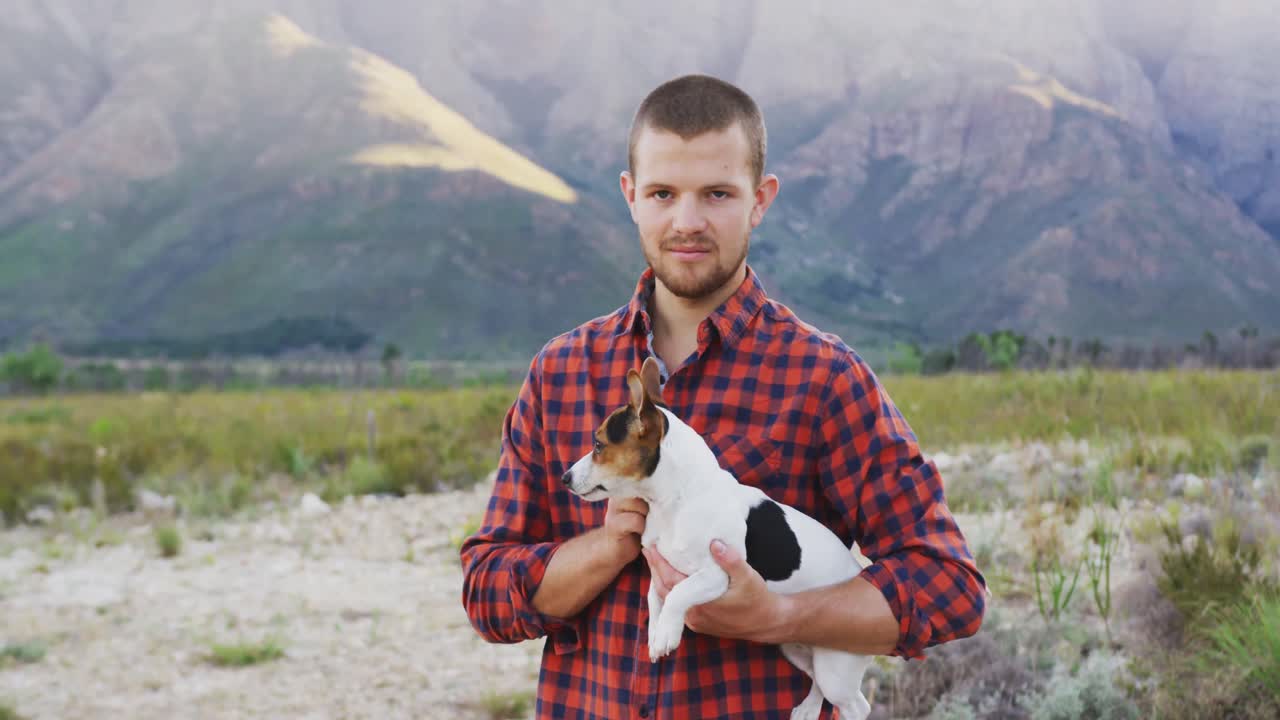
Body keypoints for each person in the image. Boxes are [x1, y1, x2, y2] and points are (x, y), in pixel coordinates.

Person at [460, 73, 986, 720]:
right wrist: (604, 548)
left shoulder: (824, 379)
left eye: (716, 193)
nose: (687, 222)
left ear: (760, 199)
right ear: (630, 196)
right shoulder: (561, 373)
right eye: (662, 193)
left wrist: (778, 615)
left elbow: (948, 586)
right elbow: (486, 593)